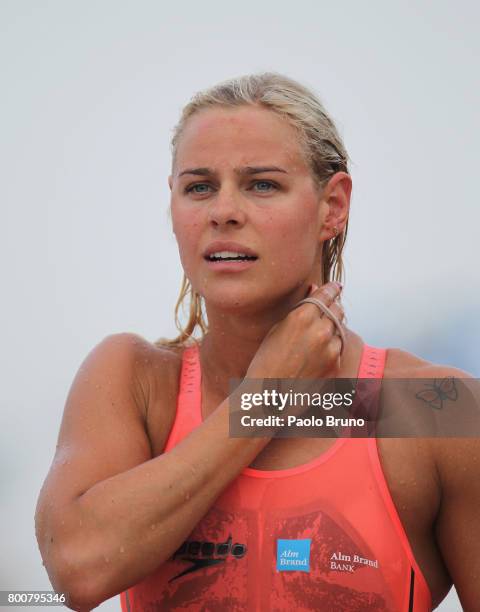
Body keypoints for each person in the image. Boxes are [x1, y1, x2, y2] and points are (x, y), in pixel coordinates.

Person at [35, 72, 479, 612]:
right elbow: (78, 570)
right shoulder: (138, 384)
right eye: (199, 186)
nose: (223, 211)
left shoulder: (437, 411)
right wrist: (265, 398)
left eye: (261, 184)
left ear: (332, 207)